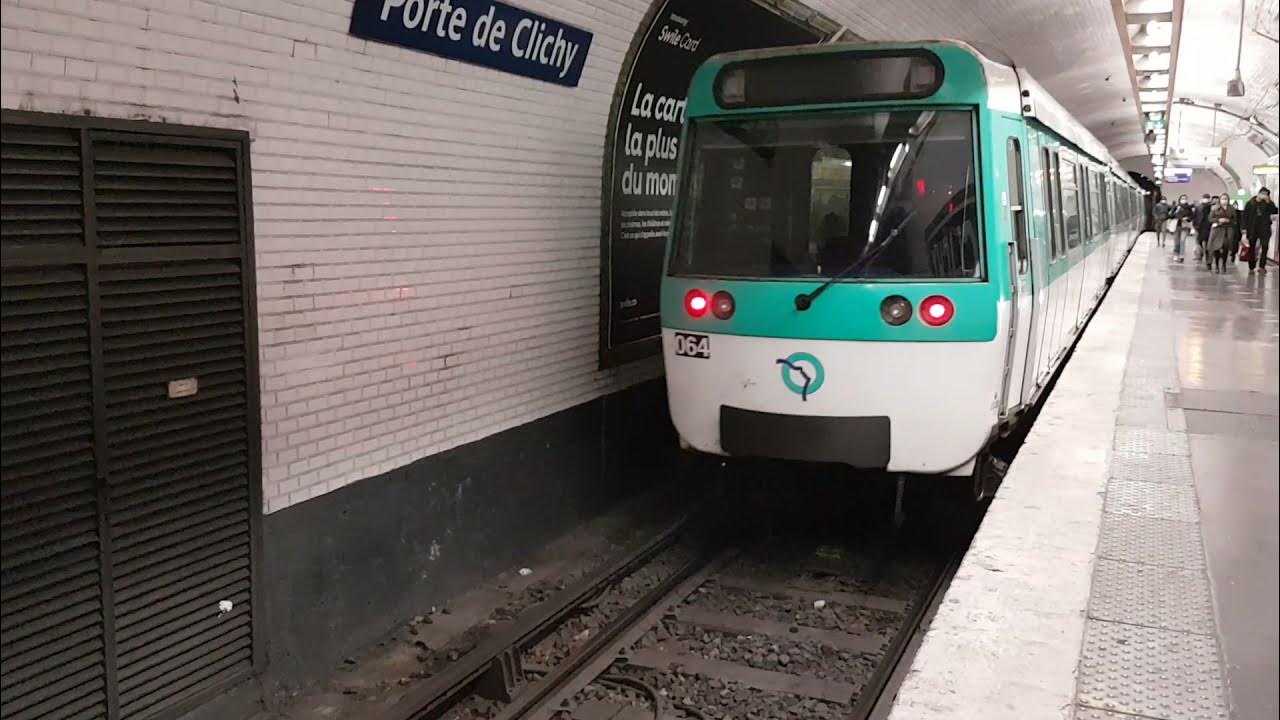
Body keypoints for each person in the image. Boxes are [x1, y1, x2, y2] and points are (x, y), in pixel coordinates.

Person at [1242, 187, 1278, 275]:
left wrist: (1269, 202)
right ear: (1258, 193)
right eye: (1263, 194)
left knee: (1265, 246)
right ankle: (1251, 266)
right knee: (1252, 247)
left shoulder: (1268, 204)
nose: (1264, 196)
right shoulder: (1250, 203)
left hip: (1264, 228)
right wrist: (1244, 229)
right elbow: (1244, 216)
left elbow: (1275, 211)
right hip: (1252, 228)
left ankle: (1262, 267)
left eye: (1266, 194)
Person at [1208, 195, 1233, 273]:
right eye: (1222, 199)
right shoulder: (1215, 208)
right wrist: (1218, 220)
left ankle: (1224, 265)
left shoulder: (1231, 209)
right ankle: (1217, 265)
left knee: (1225, 247)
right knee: (1217, 247)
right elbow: (1210, 219)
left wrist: (1228, 221)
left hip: (1227, 229)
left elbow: (1234, 220)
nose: (1224, 201)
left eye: (1225, 199)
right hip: (1217, 230)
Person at [1171, 194, 1194, 262]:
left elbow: (1191, 217)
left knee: (1182, 241)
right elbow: (1171, 215)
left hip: (1185, 226)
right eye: (1182, 199)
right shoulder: (1176, 207)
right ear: (1180, 200)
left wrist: (1187, 218)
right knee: (1176, 242)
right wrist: (1176, 211)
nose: (1183, 200)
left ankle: (1181, 255)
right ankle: (1176, 254)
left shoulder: (1189, 208)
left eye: (1185, 199)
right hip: (1177, 226)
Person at [1193, 193, 1213, 262]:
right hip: (1200, 227)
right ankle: (1200, 255)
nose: (1206, 199)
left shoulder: (1211, 207)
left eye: (1207, 198)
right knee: (1199, 242)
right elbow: (1195, 216)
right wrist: (1195, 225)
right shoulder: (1198, 207)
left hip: (1207, 227)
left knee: (1207, 243)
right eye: (1205, 198)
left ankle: (1207, 256)